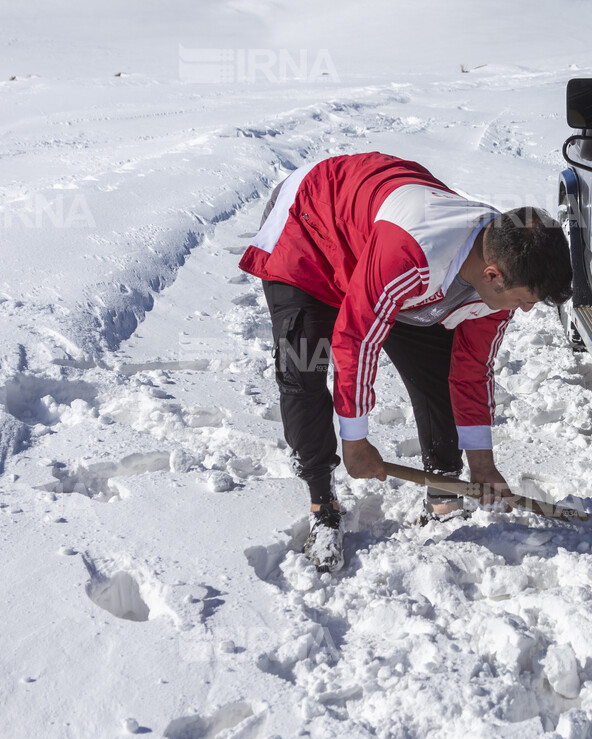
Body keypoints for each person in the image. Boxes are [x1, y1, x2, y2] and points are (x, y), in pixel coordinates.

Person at [239, 152, 572, 571]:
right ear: (492, 276)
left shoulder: (504, 258)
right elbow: (355, 339)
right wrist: (355, 441)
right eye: (525, 301)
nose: (523, 311)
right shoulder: (413, 256)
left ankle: (444, 490)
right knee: (303, 368)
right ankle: (322, 503)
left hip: (380, 257)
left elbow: (470, 371)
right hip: (310, 231)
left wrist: (482, 464)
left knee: (437, 364)